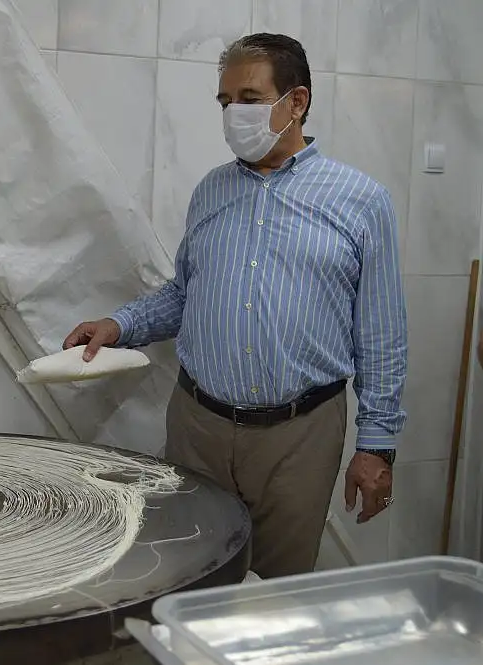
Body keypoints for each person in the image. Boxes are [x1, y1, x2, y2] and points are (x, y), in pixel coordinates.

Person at [63, 33, 407, 578]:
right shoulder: (211, 192)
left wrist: (377, 446)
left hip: (300, 434)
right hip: (198, 425)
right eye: (225, 102)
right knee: (186, 574)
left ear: (296, 102)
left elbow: (382, 335)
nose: (233, 115)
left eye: (249, 99)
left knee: (275, 590)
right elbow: (185, 294)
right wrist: (119, 324)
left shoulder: (361, 201)